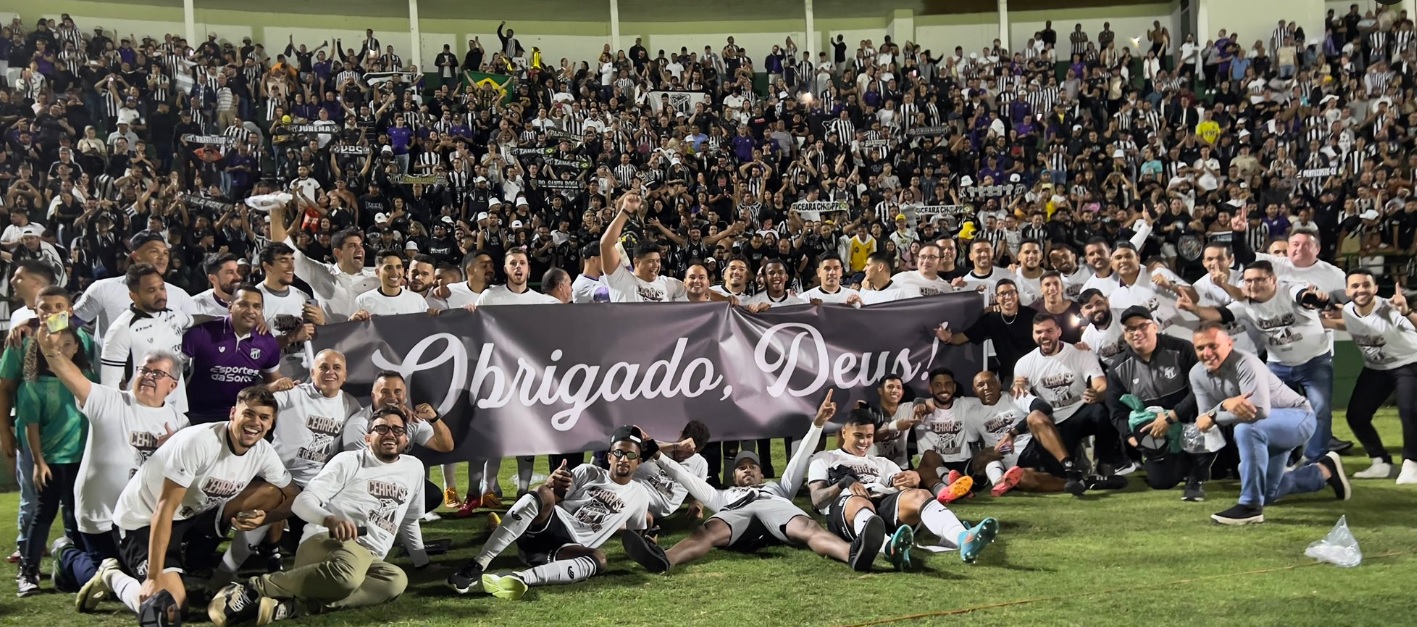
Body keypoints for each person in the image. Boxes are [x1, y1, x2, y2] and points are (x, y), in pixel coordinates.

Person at [76, 386, 298, 621]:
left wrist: (267, 518)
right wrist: (152, 579)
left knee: (272, 494)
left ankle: (221, 579)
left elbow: (293, 495)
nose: (255, 422)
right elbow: (164, 509)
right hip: (144, 519)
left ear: (271, 423)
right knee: (170, 611)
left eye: (264, 417)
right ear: (233, 413)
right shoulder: (199, 442)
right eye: (249, 414)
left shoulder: (263, 451)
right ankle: (112, 575)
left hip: (194, 513)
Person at [206, 407, 427, 625]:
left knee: (395, 581)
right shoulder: (349, 461)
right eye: (382, 429)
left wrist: (422, 561)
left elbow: (409, 519)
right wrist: (329, 520)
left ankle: (291, 608)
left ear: (406, 439)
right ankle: (252, 589)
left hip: (370, 557)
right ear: (368, 438)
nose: (390, 434)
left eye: (398, 430)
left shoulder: (414, 468)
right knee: (348, 576)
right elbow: (303, 500)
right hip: (329, 542)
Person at [629, 392, 894, 573]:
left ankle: (853, 554)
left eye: (752, 467)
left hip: (774, 506)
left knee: (808, 527)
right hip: (736, 511)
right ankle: (665, 559)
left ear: (761, 474)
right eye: (741, 468)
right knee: (706, 532)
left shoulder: (778, 488)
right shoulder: (723, 495)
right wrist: (658, 455)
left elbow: (799, 460)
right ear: (733, 476)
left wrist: (817, 424)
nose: (746, 471)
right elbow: (685, 477)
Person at [445, 426, 655, 599]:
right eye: (618, 453)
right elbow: (552, 498)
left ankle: (519, 578)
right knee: (542, 492)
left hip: (569, 548)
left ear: (639, 461)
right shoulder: (587, 471)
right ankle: (477, 565)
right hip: (549, 526)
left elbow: (635, 537)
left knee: (599, 559)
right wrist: (550, 483)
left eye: (630, 455)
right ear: (609, 457)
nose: (624, 459)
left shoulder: (639, 495)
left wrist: (648, 543)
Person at [1177, 260, 1338, 464]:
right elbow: (1218, 314)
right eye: (1249, 281)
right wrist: (1192, 308)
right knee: (1268, 413)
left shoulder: (1289, 289)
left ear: (1273, 279)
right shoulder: (1245, 305)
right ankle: (1282, 459)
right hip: (1278, 364)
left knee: (1320, 407)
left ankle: (1316, 459)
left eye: (1260, 279)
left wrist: (1317, 298)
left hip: (1314, 361)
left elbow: (1305, 296)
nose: (1254, 285)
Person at [1189, 323, 1350, 525]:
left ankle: (1250, 506)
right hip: (1266, 429)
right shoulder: (1196, 373)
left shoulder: (1246, 362)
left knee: (1246, 428)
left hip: (1298, 417)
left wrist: (1217, 411)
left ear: (1229, 344)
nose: (1207, 353)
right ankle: (1323, 471)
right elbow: (1206, 417)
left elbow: (1258, 411)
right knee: (1267, 492)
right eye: (1200, 348)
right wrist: (1219, 410)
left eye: (1213, 346)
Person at [806, 407, 999, 564]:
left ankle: (964, 538)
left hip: (881, 502)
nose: (865, 442)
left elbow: (901, 484)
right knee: (858, 502)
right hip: (848, 510)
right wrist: (843, 483)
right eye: (858, 435)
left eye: (869, 436)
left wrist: (912, 479)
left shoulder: (882, 462)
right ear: (844, 432)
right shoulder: (825, 458)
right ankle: (889, 548)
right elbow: (816, 500)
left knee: (921, 494)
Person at [12, 303, 97, 596]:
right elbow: (30, 427)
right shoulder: (33, 386)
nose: (61, 348)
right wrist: (38, 462)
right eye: (54, 343)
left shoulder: (89, 383)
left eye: (68, 343)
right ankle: (28, 573)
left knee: (78, 515)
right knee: (44, 514)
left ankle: (76, 569)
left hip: (83, 462)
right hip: (53, 462)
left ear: (77, 347)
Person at [1104, 306, 1214, 501]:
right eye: (1130, 329)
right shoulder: (1118, 368)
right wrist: (1133, 438)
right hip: (1155, 431)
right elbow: (1116, 412)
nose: (1137, 332)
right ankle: (1181, 459)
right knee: (1161, 482)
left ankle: (1196, 478)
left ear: (1154, 327)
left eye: (1142, 326)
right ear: (1125, 334)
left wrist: (1171, 418)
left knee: (1210, 411)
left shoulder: (1182, 349)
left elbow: (1199, 391)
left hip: (1188, 417)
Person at [1014, 313, 1132, 488]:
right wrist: (1020, 389)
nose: (1044, 336)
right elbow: (1019, 394)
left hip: (1081, 413)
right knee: (1057, 470)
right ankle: (1074, 473)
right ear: (1033, 334)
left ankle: (1107, 464)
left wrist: (1097, 393)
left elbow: (1100, 383)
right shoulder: (1024, 363)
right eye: (1039, 332)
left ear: (1058, 331)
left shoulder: (1080, 352)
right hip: (1055, 424)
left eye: (1049, 330)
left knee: (1102, 410)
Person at [1329, 271, 1417, 483]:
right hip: (1376, 368)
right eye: (1355, 286)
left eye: (1366, 285)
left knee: (1410, 412)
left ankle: (1412, 463)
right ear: (1347, 291)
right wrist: (1324, 322)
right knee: (1356, 415)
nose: (1361, 290)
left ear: (1375, 288)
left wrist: (1407, 311)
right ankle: (1381, 461)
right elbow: (1351, 324)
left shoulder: (1391, 308)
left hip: (1409, 363)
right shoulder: (1349, 310)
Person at [100, 263, 197, 416]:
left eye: (162, 288)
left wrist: (226, 320)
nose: (160, 295)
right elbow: (109, 386)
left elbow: (194, 320)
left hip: (177, 410)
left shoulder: (174, 314)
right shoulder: (121, 329)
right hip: (141, 412)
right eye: (151, 290)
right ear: (134, 295)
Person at [182, 284, 283, 424]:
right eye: (243, 304)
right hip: (198, 415)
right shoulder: (202, 333)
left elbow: (272, 381)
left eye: (256, 306)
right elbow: (173, 371)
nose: (251, 311)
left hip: (241, 416)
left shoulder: (268, 342)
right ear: (230, 307)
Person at [72, 232, 197, 339]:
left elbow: (197, 333)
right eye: (154, 251)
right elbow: (70, 321)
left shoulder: (180, 295)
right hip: (113, 366)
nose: (162, 257)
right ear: (136, 256)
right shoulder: (104, 289)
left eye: (165, 253)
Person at [271, 202, 379, 321]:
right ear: (338, 253)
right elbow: (284, 249)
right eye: (352, 246)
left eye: (361, 245)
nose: (360, 250)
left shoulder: (377, 277)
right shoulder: (320, 273)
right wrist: (275, 211)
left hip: (368, 339)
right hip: (331, 338)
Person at [909, 368, 988, 504]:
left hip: (963, 464)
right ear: (930, 389)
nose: (943, 389)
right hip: (935, 466)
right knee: (927, 457)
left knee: (986, 454)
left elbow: (992, 399)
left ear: (954, 387)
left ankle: (951, 486)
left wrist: (1011, 392)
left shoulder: (965, 404)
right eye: (938, 385)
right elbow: (894, 411)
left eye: (948, 384)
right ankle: (950, 483)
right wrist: (918, 401)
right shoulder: (918, 410)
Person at [934, 280, 1038, 381]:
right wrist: (948, 338)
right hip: (1010, 375)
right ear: (997, 298)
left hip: (1035, 370)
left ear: (1017, 295)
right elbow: (963, 337)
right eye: (1002, 293)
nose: (1007, 297)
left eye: (1011, 292)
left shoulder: (1032, 315)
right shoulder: (991, 318)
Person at [632, 421, 710, 522]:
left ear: (700, 449)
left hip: (658, 506)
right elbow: (638, 449)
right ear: (681, 434)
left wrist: (697, 505)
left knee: (642, 516)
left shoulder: (700, 464)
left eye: (690, 451)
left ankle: (642, 520)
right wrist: (677, 446)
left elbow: (698, 493)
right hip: (635, 493)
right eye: (684, 447)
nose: (683, 453)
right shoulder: (659, 446)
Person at [350, 250, 435, 318]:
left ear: (403, 270)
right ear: (377, 272)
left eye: (398, 267)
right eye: (389, 268)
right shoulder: (363, 300)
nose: (395, 273)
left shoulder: (417, 300)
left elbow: (426, 329)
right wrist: (352, 323)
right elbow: (354, 334)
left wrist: (436, 317)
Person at [476, 249, 560, 305]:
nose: (518, 266)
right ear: (505, 269)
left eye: (522, 263)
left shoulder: (541, 302)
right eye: (513, 263)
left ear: (528, 269)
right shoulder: (489, 296)